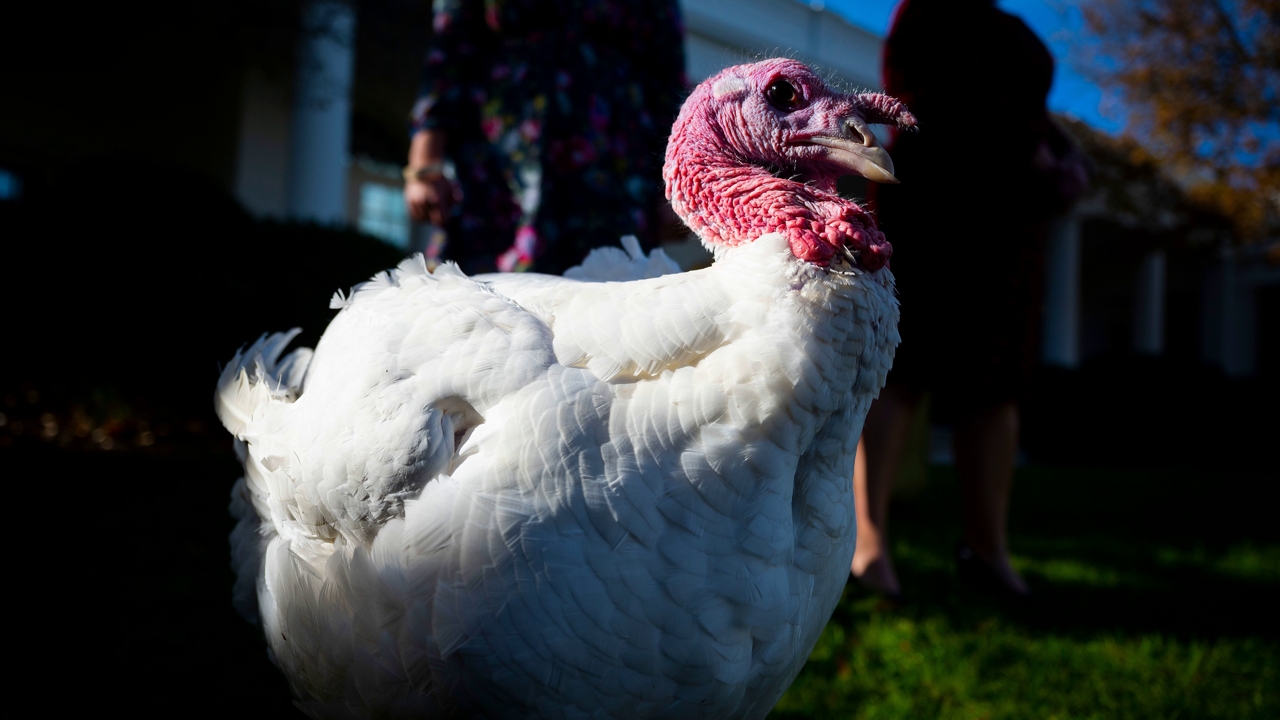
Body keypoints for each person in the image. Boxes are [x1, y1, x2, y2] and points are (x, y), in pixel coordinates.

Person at [851, 0, 1087, 598]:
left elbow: (1034, 114)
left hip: (1009, 228)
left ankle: (987, 550)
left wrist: (1057, 156)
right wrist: (1021, 141)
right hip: (932, 207)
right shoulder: (927, 16)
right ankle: (868, 546)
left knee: (996, 383)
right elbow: (919, 100)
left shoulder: (1019, 36)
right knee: (899, 370)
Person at [404, 0, 687, 276]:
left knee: (605, 294)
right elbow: (450, 46)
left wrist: (674, 186)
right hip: (498, 161)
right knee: (487, 297)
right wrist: (425, 160)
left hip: (614, 165)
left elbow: (667, 74)